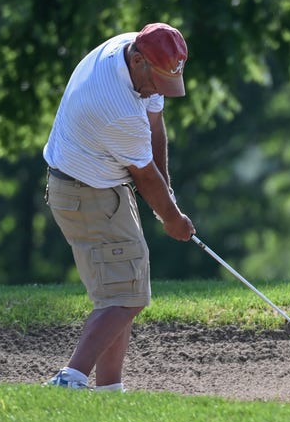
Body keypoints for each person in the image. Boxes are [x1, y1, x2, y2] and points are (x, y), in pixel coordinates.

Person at [42, 23, 196, 391]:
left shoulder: (137, 54)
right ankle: (70, 379)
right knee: (128, 295)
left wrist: (168, 196)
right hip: (87, 193)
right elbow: (143, 176)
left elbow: (155, 127)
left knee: (120, 289)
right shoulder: (116, 106)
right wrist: (172, 219)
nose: (158, 91)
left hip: (93, 185)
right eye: (156, 81)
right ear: (139, 61)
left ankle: (109, 390)